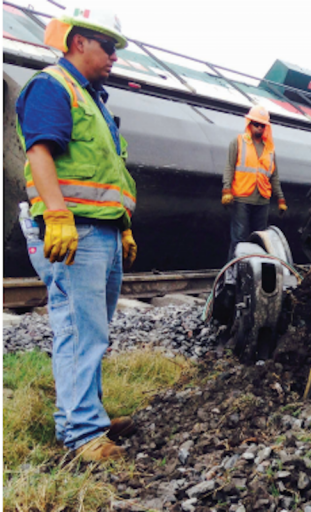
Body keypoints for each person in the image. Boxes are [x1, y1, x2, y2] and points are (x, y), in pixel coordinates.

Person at [15, 7, 138, 461]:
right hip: (76, 233)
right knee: (78, 330)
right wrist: (59, 216)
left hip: (99, 232)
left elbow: (109, 174)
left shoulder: (94, 100)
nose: (114, 57)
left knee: (93, 330)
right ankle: (83, 435)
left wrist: (121, 227)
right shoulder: (53, 86)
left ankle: (86, 417)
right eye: (108, 47)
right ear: (78, 42)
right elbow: (41, 152)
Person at [222, 106, 287, 260]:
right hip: (242, 199)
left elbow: (274, 176)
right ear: (249, 123)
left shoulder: (269, 149)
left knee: (261, 239)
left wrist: (281, 199)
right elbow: (229, 167)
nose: (259, 127)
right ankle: (233, 274)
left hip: (262, 200)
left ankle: (255, 273)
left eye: (262, 125)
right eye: (256, 124)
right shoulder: (238, 142)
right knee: (239, 238)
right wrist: (226, 190)